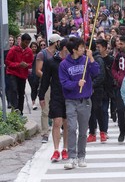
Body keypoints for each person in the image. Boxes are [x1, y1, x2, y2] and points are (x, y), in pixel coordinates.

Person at [59, 37, 100, 169]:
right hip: (71, 100)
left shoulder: (86, 60)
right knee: (71, 128)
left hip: (85, 100)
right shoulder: (64, 64)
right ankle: (72, 157)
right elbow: (64, 83)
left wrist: (92, 59)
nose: (84, 49)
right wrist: (76, 83)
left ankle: (81, 156)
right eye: (81, 47)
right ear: (74, 49)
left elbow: (96, 72)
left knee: (83, 130)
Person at [38, 38, 69, 162]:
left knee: (66, 123)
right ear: (63, 48)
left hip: (69, 96)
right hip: (56, 96)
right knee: (57, 122)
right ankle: (56, 150)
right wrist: (41, 96)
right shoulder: (51, 62)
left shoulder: (72, 62)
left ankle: (65, 149)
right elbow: (45, 79)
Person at [36, 33, 62, 143]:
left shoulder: (58, 54)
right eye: (59, 42)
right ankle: (45, 133)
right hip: (47, 85)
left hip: (57, 85)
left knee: (58, 108)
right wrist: (49, 78)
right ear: (55, 43)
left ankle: (58, 128)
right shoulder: (42, 54)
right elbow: (38, 70)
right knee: (45, 109)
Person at [5, 33, 34, 115]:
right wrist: (18, 64)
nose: (26, 44)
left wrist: (27, 65)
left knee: (21, 93)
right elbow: (7, 62)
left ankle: (20, 111)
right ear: (21, 41)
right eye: (25, 42)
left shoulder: (29, 51)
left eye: (28, 43)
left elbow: (31, 63)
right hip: (13, 73)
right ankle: (15, 108)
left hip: (23, 74)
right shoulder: (13, 49)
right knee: (13, 89)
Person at [28, 42, 40, 110]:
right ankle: (33, 102)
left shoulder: (39, 55)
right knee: (33, 88)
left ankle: (36, 101)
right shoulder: (28, 55)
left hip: (37, 73)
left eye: (35, 47)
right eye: (33, 47)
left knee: (37, 88)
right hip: (30, 74)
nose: (34, 48)